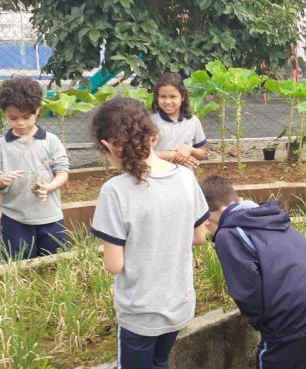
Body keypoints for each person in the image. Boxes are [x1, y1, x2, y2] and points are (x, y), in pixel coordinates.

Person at [89, 97, 208, 369]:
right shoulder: (186, 177)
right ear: (154, 137)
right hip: (178, 304)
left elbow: (114, 264)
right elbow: (199, 237)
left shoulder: (115, 191)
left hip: (140, 314)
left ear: (107, 146)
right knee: (159, 362)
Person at [200, 175, 306, 369]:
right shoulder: (269, 215)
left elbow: (247, 291)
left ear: (209, 215)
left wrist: (265, 324)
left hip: (290, 313)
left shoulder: (229, 234)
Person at [0, 77, 69, 260]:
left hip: (50, 217)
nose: (20, 123)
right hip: (14, 219)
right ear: (5, 114)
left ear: (37, 111)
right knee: (16, 265)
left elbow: (62, 173)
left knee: (56, 264)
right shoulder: (1, 146)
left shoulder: (50, 141)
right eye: (12, 118)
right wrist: (1, 180)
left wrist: (49, 187)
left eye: (26, 117)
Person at [151, 72, 207, 169]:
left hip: (185, 179)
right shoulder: (150, 121)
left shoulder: (193, 121)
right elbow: (143, 155)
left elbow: (202, 154)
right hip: (157, 178)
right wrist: (173, 155)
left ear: (183, 97)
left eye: (173, 96)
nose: (168, 101)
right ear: (157, 97)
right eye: (163, 96)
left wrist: (190, 150)